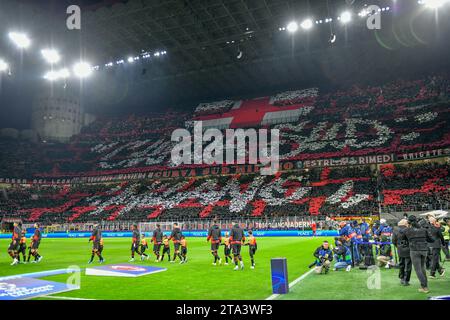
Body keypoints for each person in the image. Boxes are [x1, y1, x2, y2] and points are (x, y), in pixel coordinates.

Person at [404, 215, 434, 293]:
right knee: (422, 268)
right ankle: (424, 286)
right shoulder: (424, 230)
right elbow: (432, 240)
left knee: (418, 270)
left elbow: (404, 240)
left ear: (409, 222)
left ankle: (425, 287)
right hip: (424, 250)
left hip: (414, 250)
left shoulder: (407, 230)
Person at [392, 219, 412, 286]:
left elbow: (393, 240)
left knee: (401, 264)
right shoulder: (408, 229)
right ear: (405, 223)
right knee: (408, 265)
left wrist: (398, 246)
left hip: (400, 248)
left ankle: (402, 278)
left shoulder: (395, 230)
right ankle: (406, 280)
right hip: (408, 248)